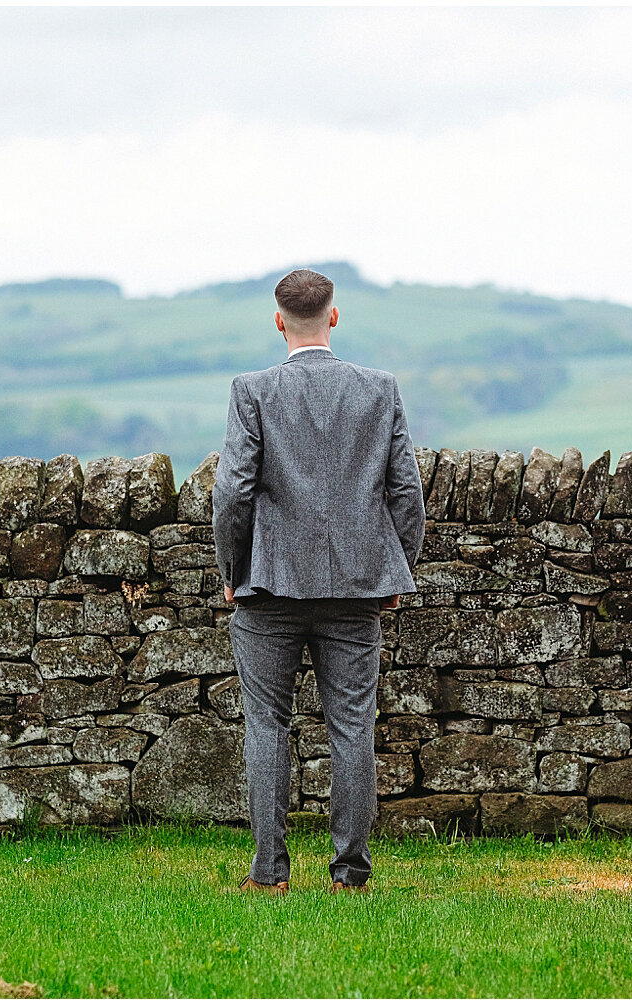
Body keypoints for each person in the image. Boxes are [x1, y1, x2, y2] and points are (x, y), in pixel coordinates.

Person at [212, 267, 427, 895]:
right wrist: (398, 567)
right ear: (334, 316)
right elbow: (406, 490)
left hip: (267, 588)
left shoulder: (252, 391)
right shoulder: (379, 390)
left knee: (266, 726)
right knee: (354, 727)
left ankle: (269, 873)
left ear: (279, 322)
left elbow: (232, 491)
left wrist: (234, 569)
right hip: (357, 589)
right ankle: (351, 874)